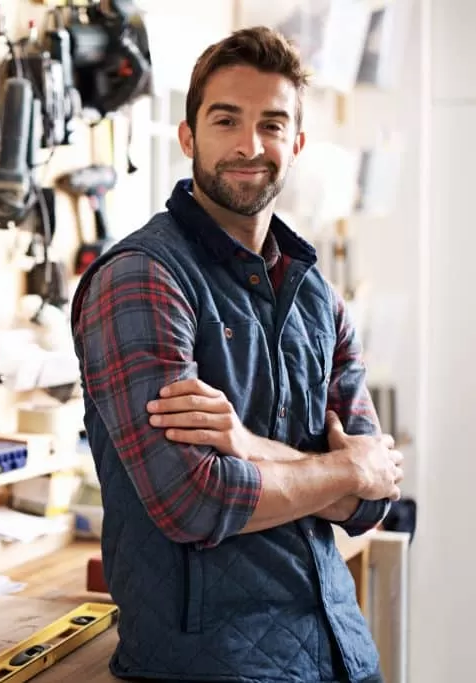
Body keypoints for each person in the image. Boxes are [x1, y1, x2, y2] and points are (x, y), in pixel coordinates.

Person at [70, 26, 404, 683]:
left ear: (297, 144)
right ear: (188, 136)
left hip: (343, 652)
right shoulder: (142, 278)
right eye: (227, 120)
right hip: (209, 665)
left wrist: (248, 445)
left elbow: (376, 499)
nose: (251, 145)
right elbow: (193, 500)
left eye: (272, 124)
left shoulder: (315, 296)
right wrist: (345, 469)